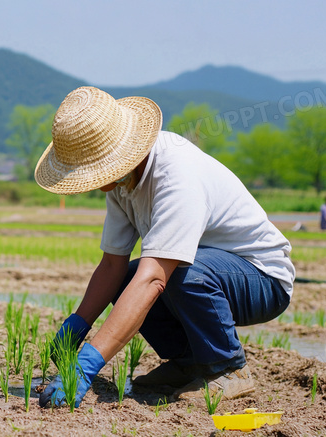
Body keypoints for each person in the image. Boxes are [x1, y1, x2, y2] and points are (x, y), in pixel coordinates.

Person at [35, 87, 295, 408]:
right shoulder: (123, 181)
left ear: (117, 158)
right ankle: (189, 362)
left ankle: (228, 367)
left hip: (261, 279)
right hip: (202, 273)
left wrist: (89, 362)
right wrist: (78, 324)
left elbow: (154, 278)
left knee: (177, 272)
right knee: (129, 277)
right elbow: (112, 266)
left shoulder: (176, 176)